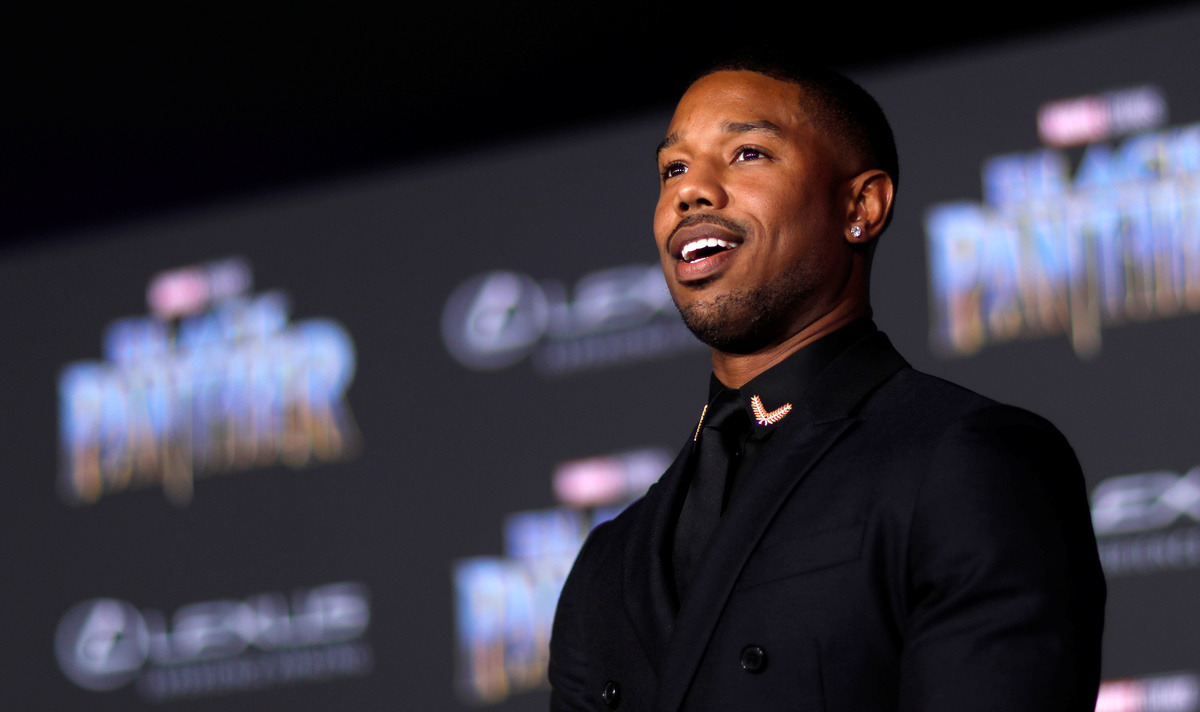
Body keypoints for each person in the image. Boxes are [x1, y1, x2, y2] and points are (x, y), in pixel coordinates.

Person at [548, 54, 1105, 712]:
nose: (691, 191)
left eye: (747, 153)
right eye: (674, 168)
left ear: (860, 205)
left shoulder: (969, 460)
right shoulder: (609, 559)